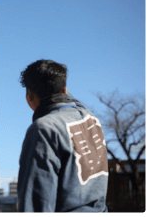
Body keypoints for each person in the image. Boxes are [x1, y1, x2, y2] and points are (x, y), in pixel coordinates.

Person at [17, 59, 109, 212]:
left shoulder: (44, 129)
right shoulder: (91, 119)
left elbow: (35, 205)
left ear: (29, 97)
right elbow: (69, 99)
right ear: (65, 91)